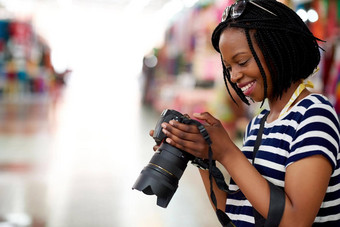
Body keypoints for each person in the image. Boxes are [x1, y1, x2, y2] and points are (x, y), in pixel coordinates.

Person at [150, 0, 340, 226]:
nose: (234, 76)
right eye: (229, 68)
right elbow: (235, 215)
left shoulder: (314, 115)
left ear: (275, 47)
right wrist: (203, 156)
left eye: (242, 62)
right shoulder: (258, 124)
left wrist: (228, 152)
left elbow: (295, 221)